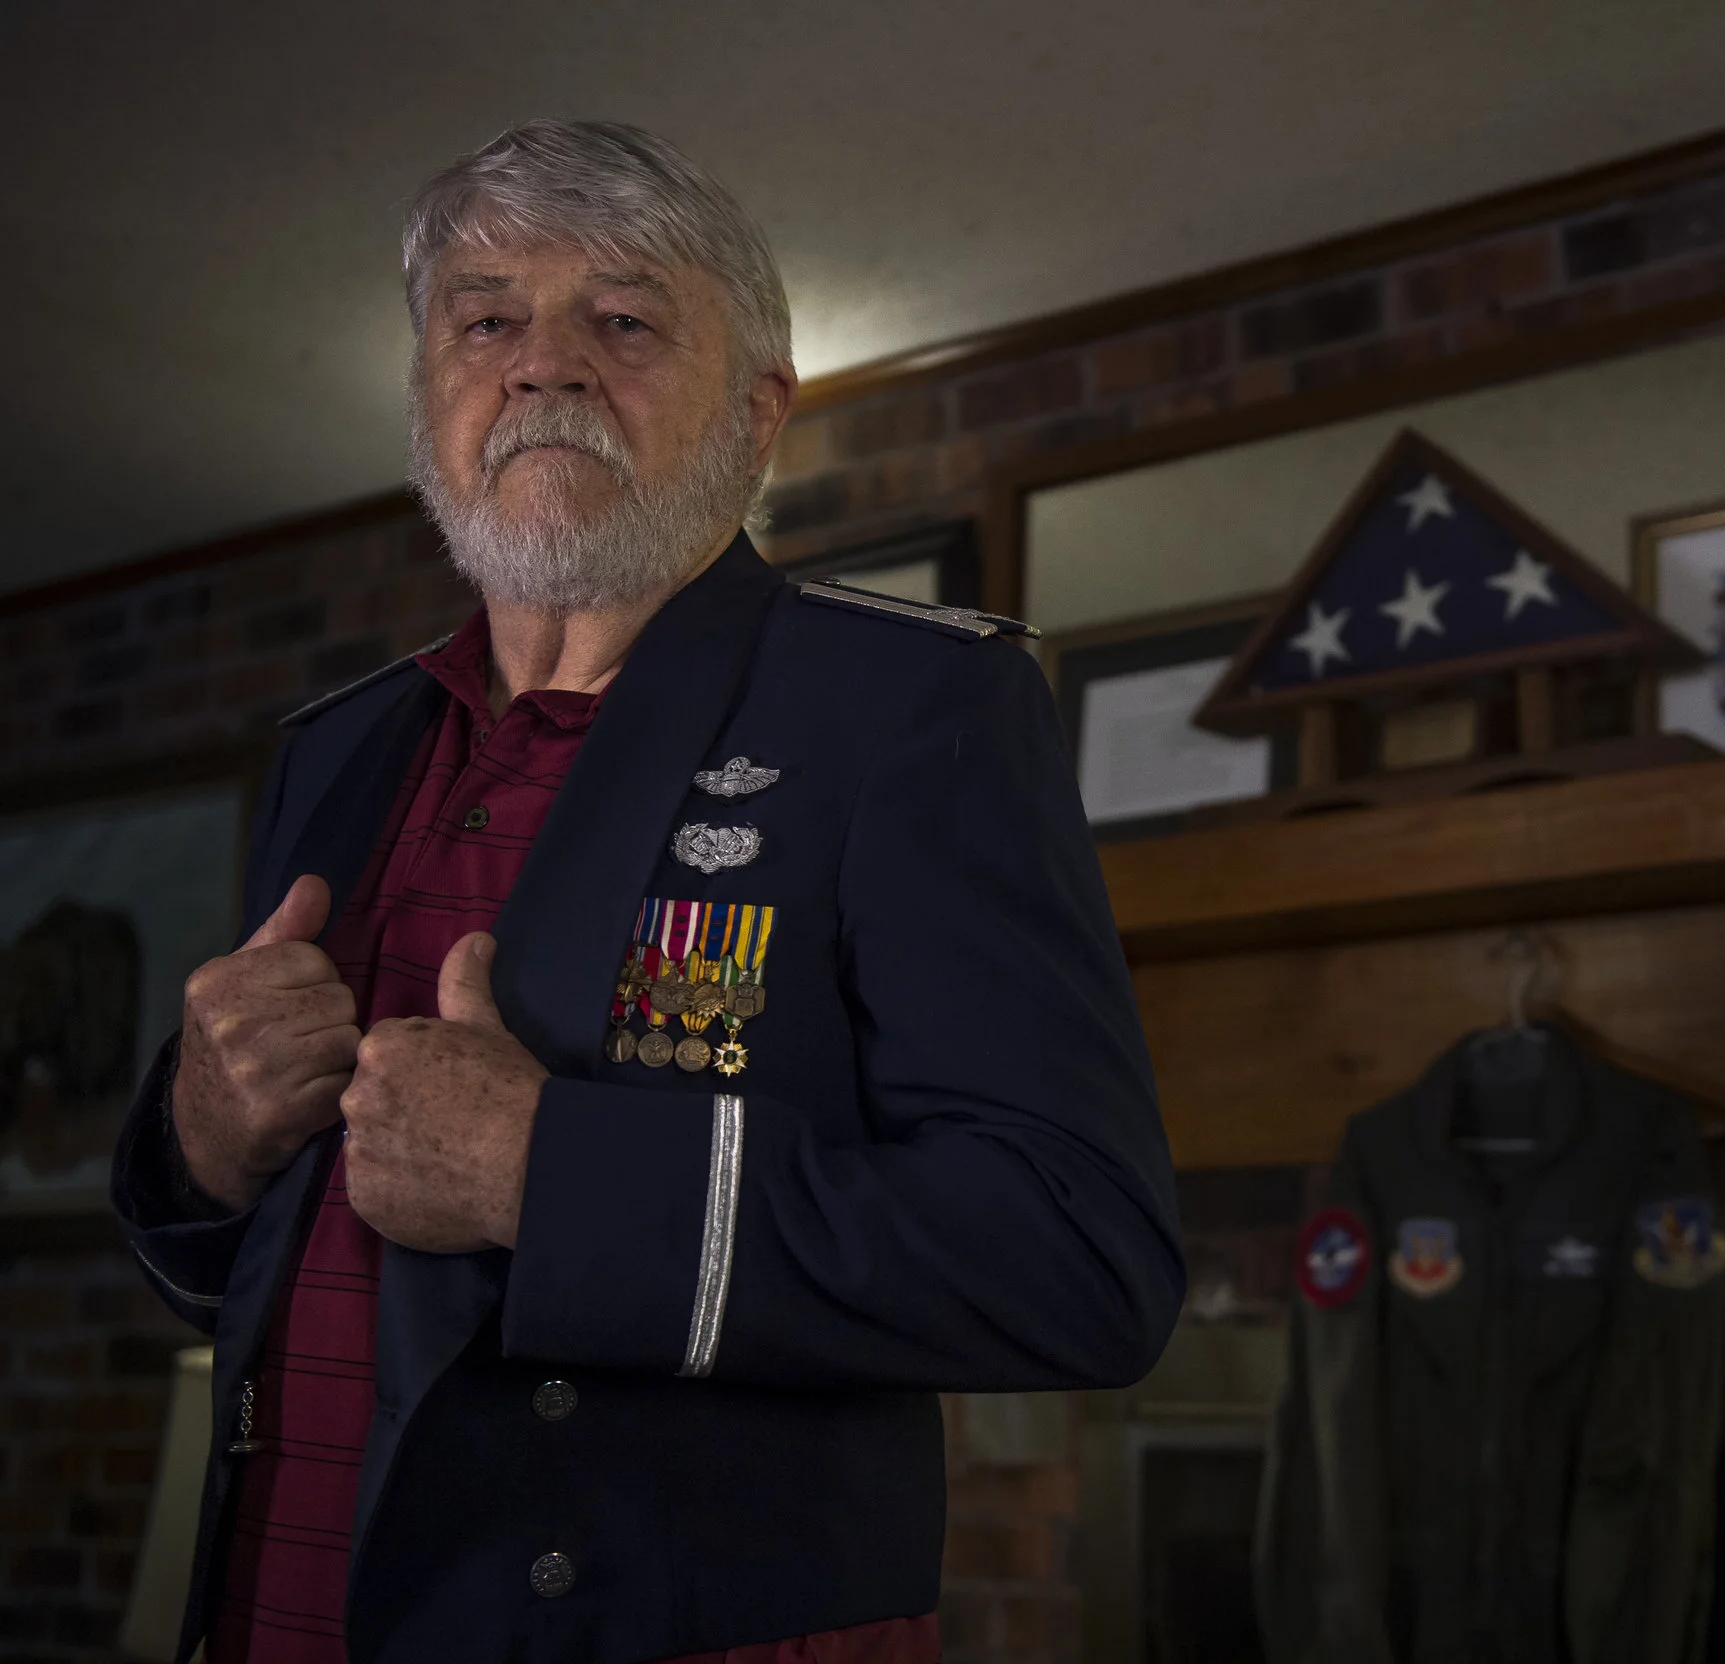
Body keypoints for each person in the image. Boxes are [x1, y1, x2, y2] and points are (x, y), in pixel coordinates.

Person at [112, 118, 1184, 1664]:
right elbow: (272, 1280)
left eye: (622, 322)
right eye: (486, 322)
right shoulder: (336, 753)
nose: (542, 366)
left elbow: (1080, 1261)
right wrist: (204, 1138)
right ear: (427, 400)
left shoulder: (906, 707)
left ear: (758, 416)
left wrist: (545, 1177)